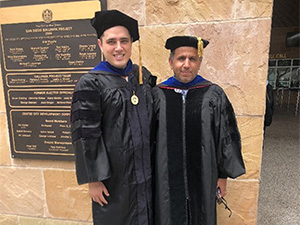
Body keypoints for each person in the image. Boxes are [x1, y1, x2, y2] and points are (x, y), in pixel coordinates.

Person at [71, 10, 156, 225]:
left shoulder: (142, 75)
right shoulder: (91, 83)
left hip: (146, 173)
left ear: (130, 44)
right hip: (114, 180)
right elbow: (86, 134)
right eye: (112, 42)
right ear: (100, 45)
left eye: (124, 41)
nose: (119, 48)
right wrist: (94, 179)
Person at [152, 36, 246, 225]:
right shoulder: (158, 94)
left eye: (192, 59)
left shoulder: (213, 93)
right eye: (181, 59)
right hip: (166, 180)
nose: (186, 64)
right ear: (171, 62)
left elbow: (225, 137)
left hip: (204, 178)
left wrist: (222, 176)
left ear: (200, 62)